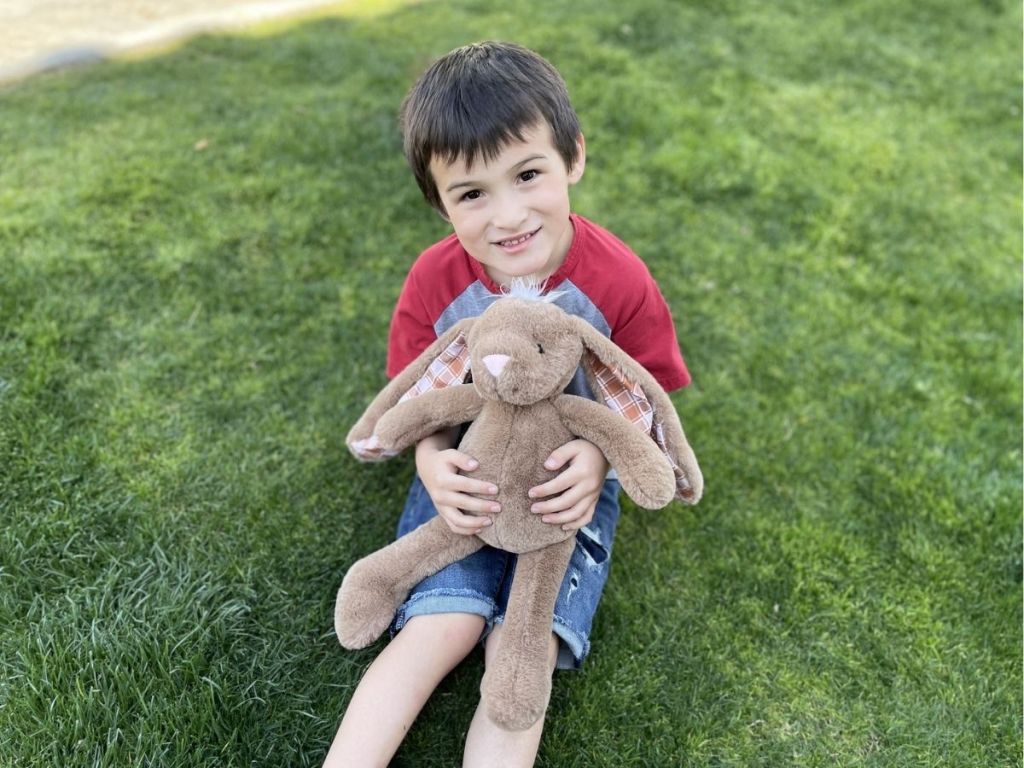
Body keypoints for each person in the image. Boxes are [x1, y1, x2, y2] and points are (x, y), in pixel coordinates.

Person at [322, 41, 691, 767]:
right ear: (439, 202)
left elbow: (646, 393)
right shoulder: (436, 280)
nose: (508, 215)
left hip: (566, 484)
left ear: (573, 158)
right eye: (472, 194)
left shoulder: (618, 281)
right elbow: (419, 396)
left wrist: (595, 457)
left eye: (528, 175)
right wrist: (431, 466)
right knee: (442, 625)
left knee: (522, 651)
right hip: (470, 467)